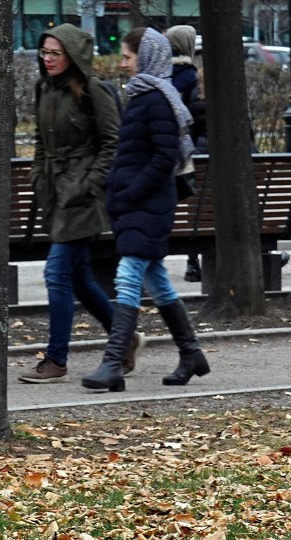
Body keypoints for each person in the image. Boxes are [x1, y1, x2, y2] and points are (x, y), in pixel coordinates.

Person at [82, 27, 209, 393]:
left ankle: (112, 362)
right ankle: (191, 353)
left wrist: (130, 193)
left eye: (127, 56)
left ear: (147, 57)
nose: (122, 63)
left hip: (147, 205)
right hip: (138, 205)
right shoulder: (144, 95)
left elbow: (163, 157)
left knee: (128, 275)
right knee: (157, 281)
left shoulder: (157, 99)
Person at [20, 24, 141, 384]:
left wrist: (89, 184)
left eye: (56, 53)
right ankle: (126, 338)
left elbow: (113, 144)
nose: (49, 59)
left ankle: (56, 358)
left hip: (84, 199)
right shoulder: (44, 88)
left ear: (72, 55)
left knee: (56, 275)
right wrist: (40, 179)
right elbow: (42, 142)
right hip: (56, 195)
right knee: (81, 280)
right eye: (45, 53)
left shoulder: (94, 91)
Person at [164, 24, 207, 282]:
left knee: (197, 204)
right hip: (195, 159)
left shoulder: (163, 77)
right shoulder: (193, 79)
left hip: (176, 163)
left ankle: (193, 262)